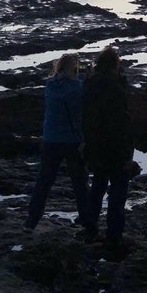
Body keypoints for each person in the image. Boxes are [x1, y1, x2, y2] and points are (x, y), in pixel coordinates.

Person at [25, 52, 88, 231]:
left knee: (43, 182)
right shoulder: (77, 88)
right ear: (74, 68)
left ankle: (31, 221)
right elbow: (78, 116)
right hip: (72, 141)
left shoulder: (50, 85)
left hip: (50, 138)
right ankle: (85, 218)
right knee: (80, 182)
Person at [82, 46, 135, 247]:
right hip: (115, 149)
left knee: (97, 188)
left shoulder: (88, 86)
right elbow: (120, 124)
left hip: (95, 147)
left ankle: (90, 229)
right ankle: (114, 235)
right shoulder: (115, 90)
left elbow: (87, 118)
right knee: (117, 193)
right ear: (115, 65)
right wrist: (126, 156)